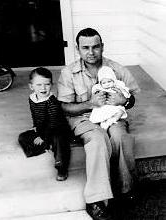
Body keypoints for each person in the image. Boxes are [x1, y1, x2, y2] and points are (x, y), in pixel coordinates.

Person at [57, 28, 140, 219]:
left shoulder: (117, 69)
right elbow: (64, 107)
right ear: (78, 49)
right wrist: (90, 104)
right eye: (85, 48)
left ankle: (126, 189)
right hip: (83, 117)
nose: (91, 52)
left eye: (95, 47)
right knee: (98, 140)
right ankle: (96, 200)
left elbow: (132, 98)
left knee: (120, 136)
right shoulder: (69, 73)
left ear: (102, 47)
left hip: (112, 115)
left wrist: (124, 101)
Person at [18, 67, 70, 181]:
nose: (43, 88)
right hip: (43, 129)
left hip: (57, 128)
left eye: (47, 84)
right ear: (31, 86)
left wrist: (43, 137)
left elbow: (53, 123)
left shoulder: (51, 102)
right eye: (39, 85)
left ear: (51, 85)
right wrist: (36, 130)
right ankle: (43, 147)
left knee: (59, 141)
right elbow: (35, 115)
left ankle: (61, 168)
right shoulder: (32, 98)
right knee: (22, 137)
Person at [89, 65, 131, 130]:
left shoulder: (118, 86)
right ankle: (103, 122)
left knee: (120, 111)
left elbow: (127, 95)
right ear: (100, 83)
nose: (107, 84)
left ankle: (111, 120)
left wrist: (123, 92)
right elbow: (94, 95)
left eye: (109, 81)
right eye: (104, 83)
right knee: (101, 113)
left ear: (113, 80)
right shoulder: (99, 88)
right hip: (104, 106)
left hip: (115, 105)